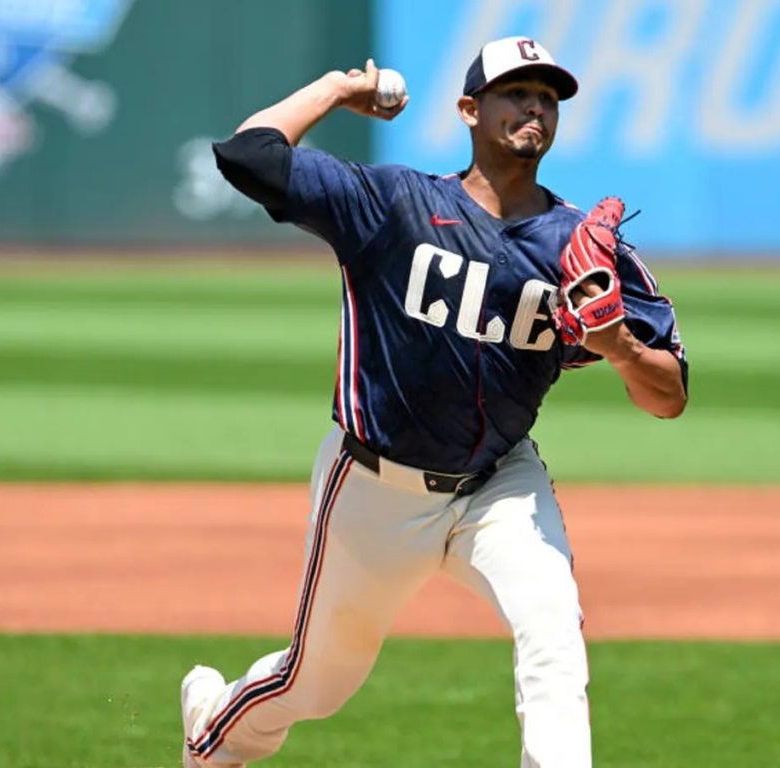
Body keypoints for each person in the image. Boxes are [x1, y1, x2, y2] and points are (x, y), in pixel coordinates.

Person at [181, 36, 688, 768]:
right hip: (375, 487)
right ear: (469, 110)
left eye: (547, 97)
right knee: (315, 684)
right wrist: (332, 90)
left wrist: (620, 347)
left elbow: (668, 395)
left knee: (552, 628)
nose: (535, 107)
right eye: (518, 92)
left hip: (500, 483)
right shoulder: (394, 205)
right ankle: (211, 739)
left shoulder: (580, 246)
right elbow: (248, 156)